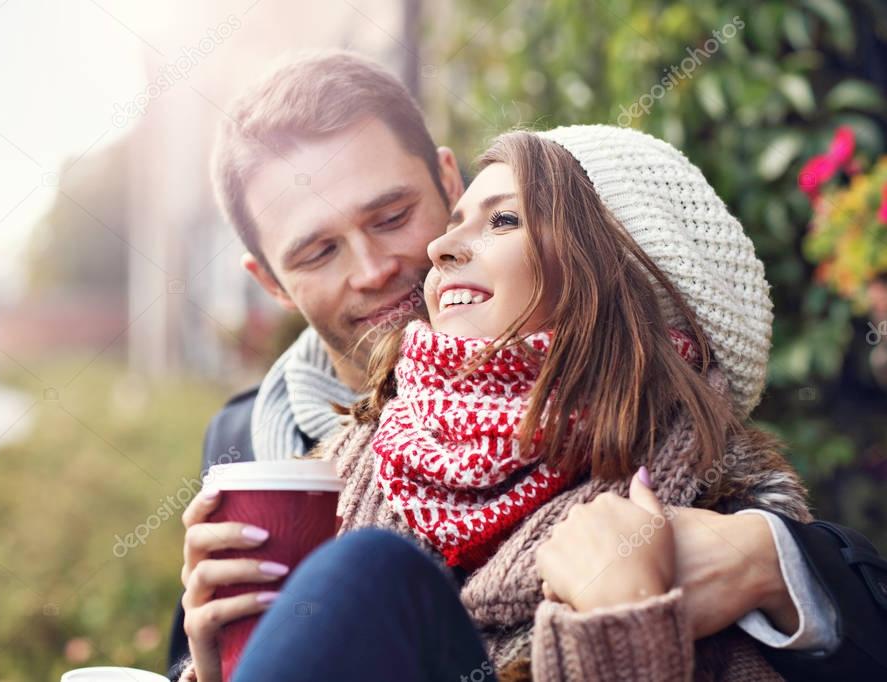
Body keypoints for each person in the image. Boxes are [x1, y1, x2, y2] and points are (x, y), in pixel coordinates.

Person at [168, 51, 887, 680]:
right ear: (269, 282)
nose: (382, 267)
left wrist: (765, 560)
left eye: (392, 217)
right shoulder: (249, 449)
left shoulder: (687, 485)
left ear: (445, 178)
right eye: (318, 252)